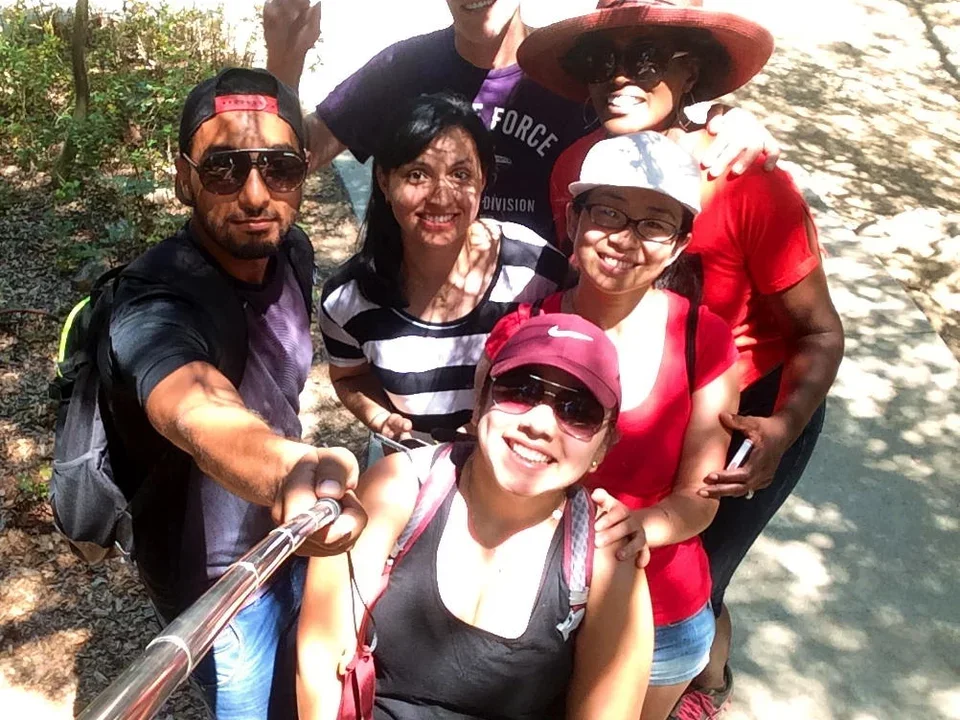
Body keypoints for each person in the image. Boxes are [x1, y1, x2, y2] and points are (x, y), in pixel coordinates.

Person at [519, 2, 845, 716]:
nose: (619, 79)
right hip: (640, 397)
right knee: (614, 563)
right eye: (603, 62)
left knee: (701, 573)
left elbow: (821, 332)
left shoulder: (748, 182)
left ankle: (704, 684)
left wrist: (783, 427)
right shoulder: (580, 167)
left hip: (753, 408)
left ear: (688, 72)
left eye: (645, 59)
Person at [98, 68, 364, 720]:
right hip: (215, 584)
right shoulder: (153, 298)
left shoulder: (292, 254)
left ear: (304, 170)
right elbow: (195, 408)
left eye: (278, 169)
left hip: (291, 536)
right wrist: (291, 469)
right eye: (223, 170)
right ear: (183, 175)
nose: (255, 194)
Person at [297, 312, 654, 719]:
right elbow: (321, 666)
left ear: (604, 446)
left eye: (578, 410)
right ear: (480, 399)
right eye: (520, 390)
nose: (539, 424)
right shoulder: (398, 490)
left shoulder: (607, 559)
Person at [512, 131, 741, 720]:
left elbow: (701, 495)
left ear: (679, 244)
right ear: (573, 217)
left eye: (653, 223)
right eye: (608, 211)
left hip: (657, 603)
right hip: (529, 604)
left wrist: (643, 528)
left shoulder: (703, 340)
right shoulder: (524, 329)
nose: (624, 238)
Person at [263, 0, 781, 242]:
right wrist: (284, 65)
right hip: (413, 313)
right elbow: (295, 160)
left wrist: (727, 121)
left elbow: (655, 120)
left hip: (534, 321)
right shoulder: (403, 69)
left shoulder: (582, 77)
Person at [318, 92, 568, 447]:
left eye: (460, 174)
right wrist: (380, 417)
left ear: (484, 180)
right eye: (417, 174)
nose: (440, 197)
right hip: (415, 484)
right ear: (384, 182)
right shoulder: (347, 301)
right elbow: (349, 376)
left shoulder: (536, 270)